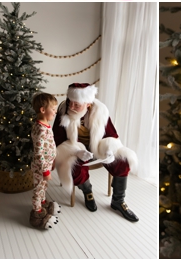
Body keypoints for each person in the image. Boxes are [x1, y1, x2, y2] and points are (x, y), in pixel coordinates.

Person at [53, 83, 138, 222]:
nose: (72, 107)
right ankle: (87, 192)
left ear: (88, 103)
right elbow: (57, 141)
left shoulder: (100, 111)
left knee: (123, 161)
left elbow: (111, 134)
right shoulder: (64, 112)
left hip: (97, 148)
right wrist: (76, 151)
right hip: (76, 149)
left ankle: (118, 200)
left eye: (77, 104)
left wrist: (110, 148)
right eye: (70, 103)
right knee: (74, 167)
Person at [30, 93, 60, 229]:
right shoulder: (40, 129)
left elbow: (49, 146)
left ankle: (42, 202)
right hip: (41, 167)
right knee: (38, 188)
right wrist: (45, 170)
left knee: (44, 187)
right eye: (53, 109)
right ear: (43, 110)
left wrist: (52, 161)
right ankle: (37, 211)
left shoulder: (46, 124)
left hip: (47, 164)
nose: (55, 112)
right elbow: (39, 153)